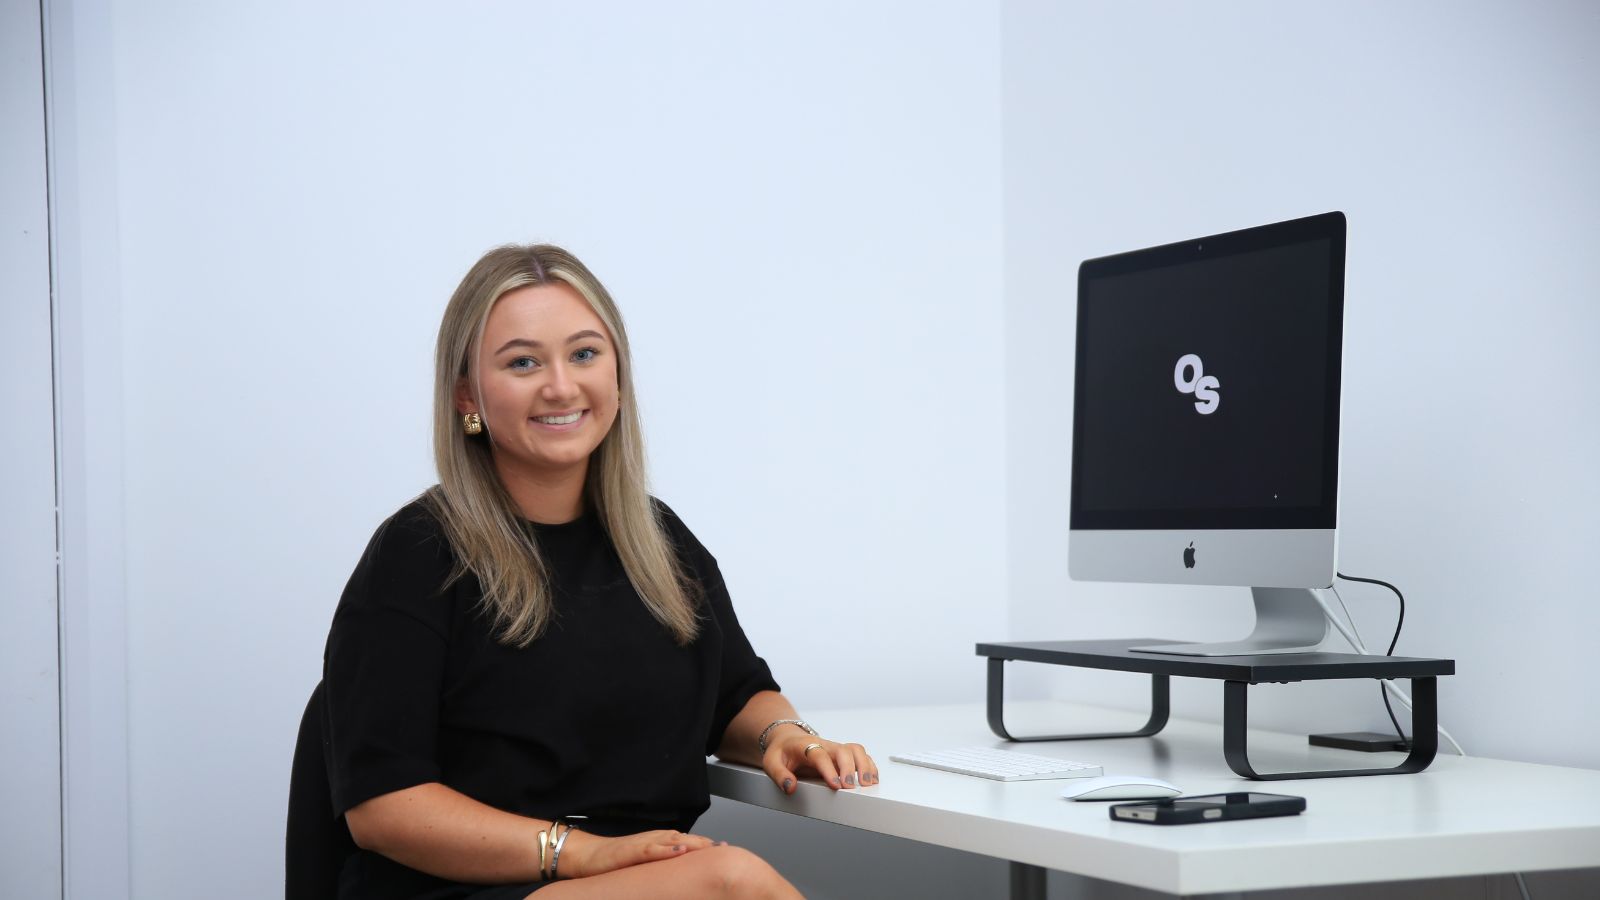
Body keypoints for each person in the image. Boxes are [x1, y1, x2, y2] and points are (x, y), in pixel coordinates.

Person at [321, 244, 877, 899]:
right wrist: (582, 855)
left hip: (636, 880)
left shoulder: (660, 541)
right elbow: (383, 807)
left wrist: (788, 736)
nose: (561, 385)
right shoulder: (416, 555)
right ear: (467, 393)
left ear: (617, 376)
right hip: (468, 886)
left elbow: (737, 696)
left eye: (584, 353)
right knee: (731, 884)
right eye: (523, 362)